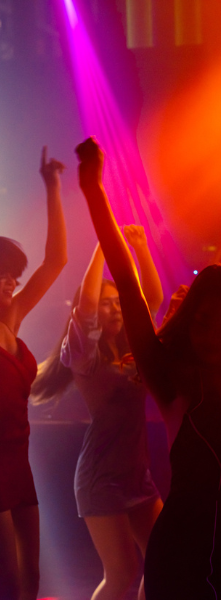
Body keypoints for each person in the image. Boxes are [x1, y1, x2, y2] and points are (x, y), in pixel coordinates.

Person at [75, 126, 221, 599]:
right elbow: (130, 290)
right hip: (183, 547)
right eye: (202, 321)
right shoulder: (174, 380)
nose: (211, 334)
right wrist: (94, 190)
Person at [31, 230, 164, 600]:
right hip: (100, 478)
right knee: (121, 575)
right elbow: (87, 305)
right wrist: (103, 247)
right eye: (109, 303)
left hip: (137, 475)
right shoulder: (84, 354)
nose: (116, 308)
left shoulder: (129, 346)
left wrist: (140, 248)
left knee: (163, 562)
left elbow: (150, 299)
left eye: (118, 302)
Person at [0, 147, 68, 600]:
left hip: (19, 462)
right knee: (7, 577)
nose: (12, 282)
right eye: (2, 275)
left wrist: (52, 186)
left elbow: (56, 261)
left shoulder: (14, 319)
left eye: (12, 276)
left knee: (31, 583)